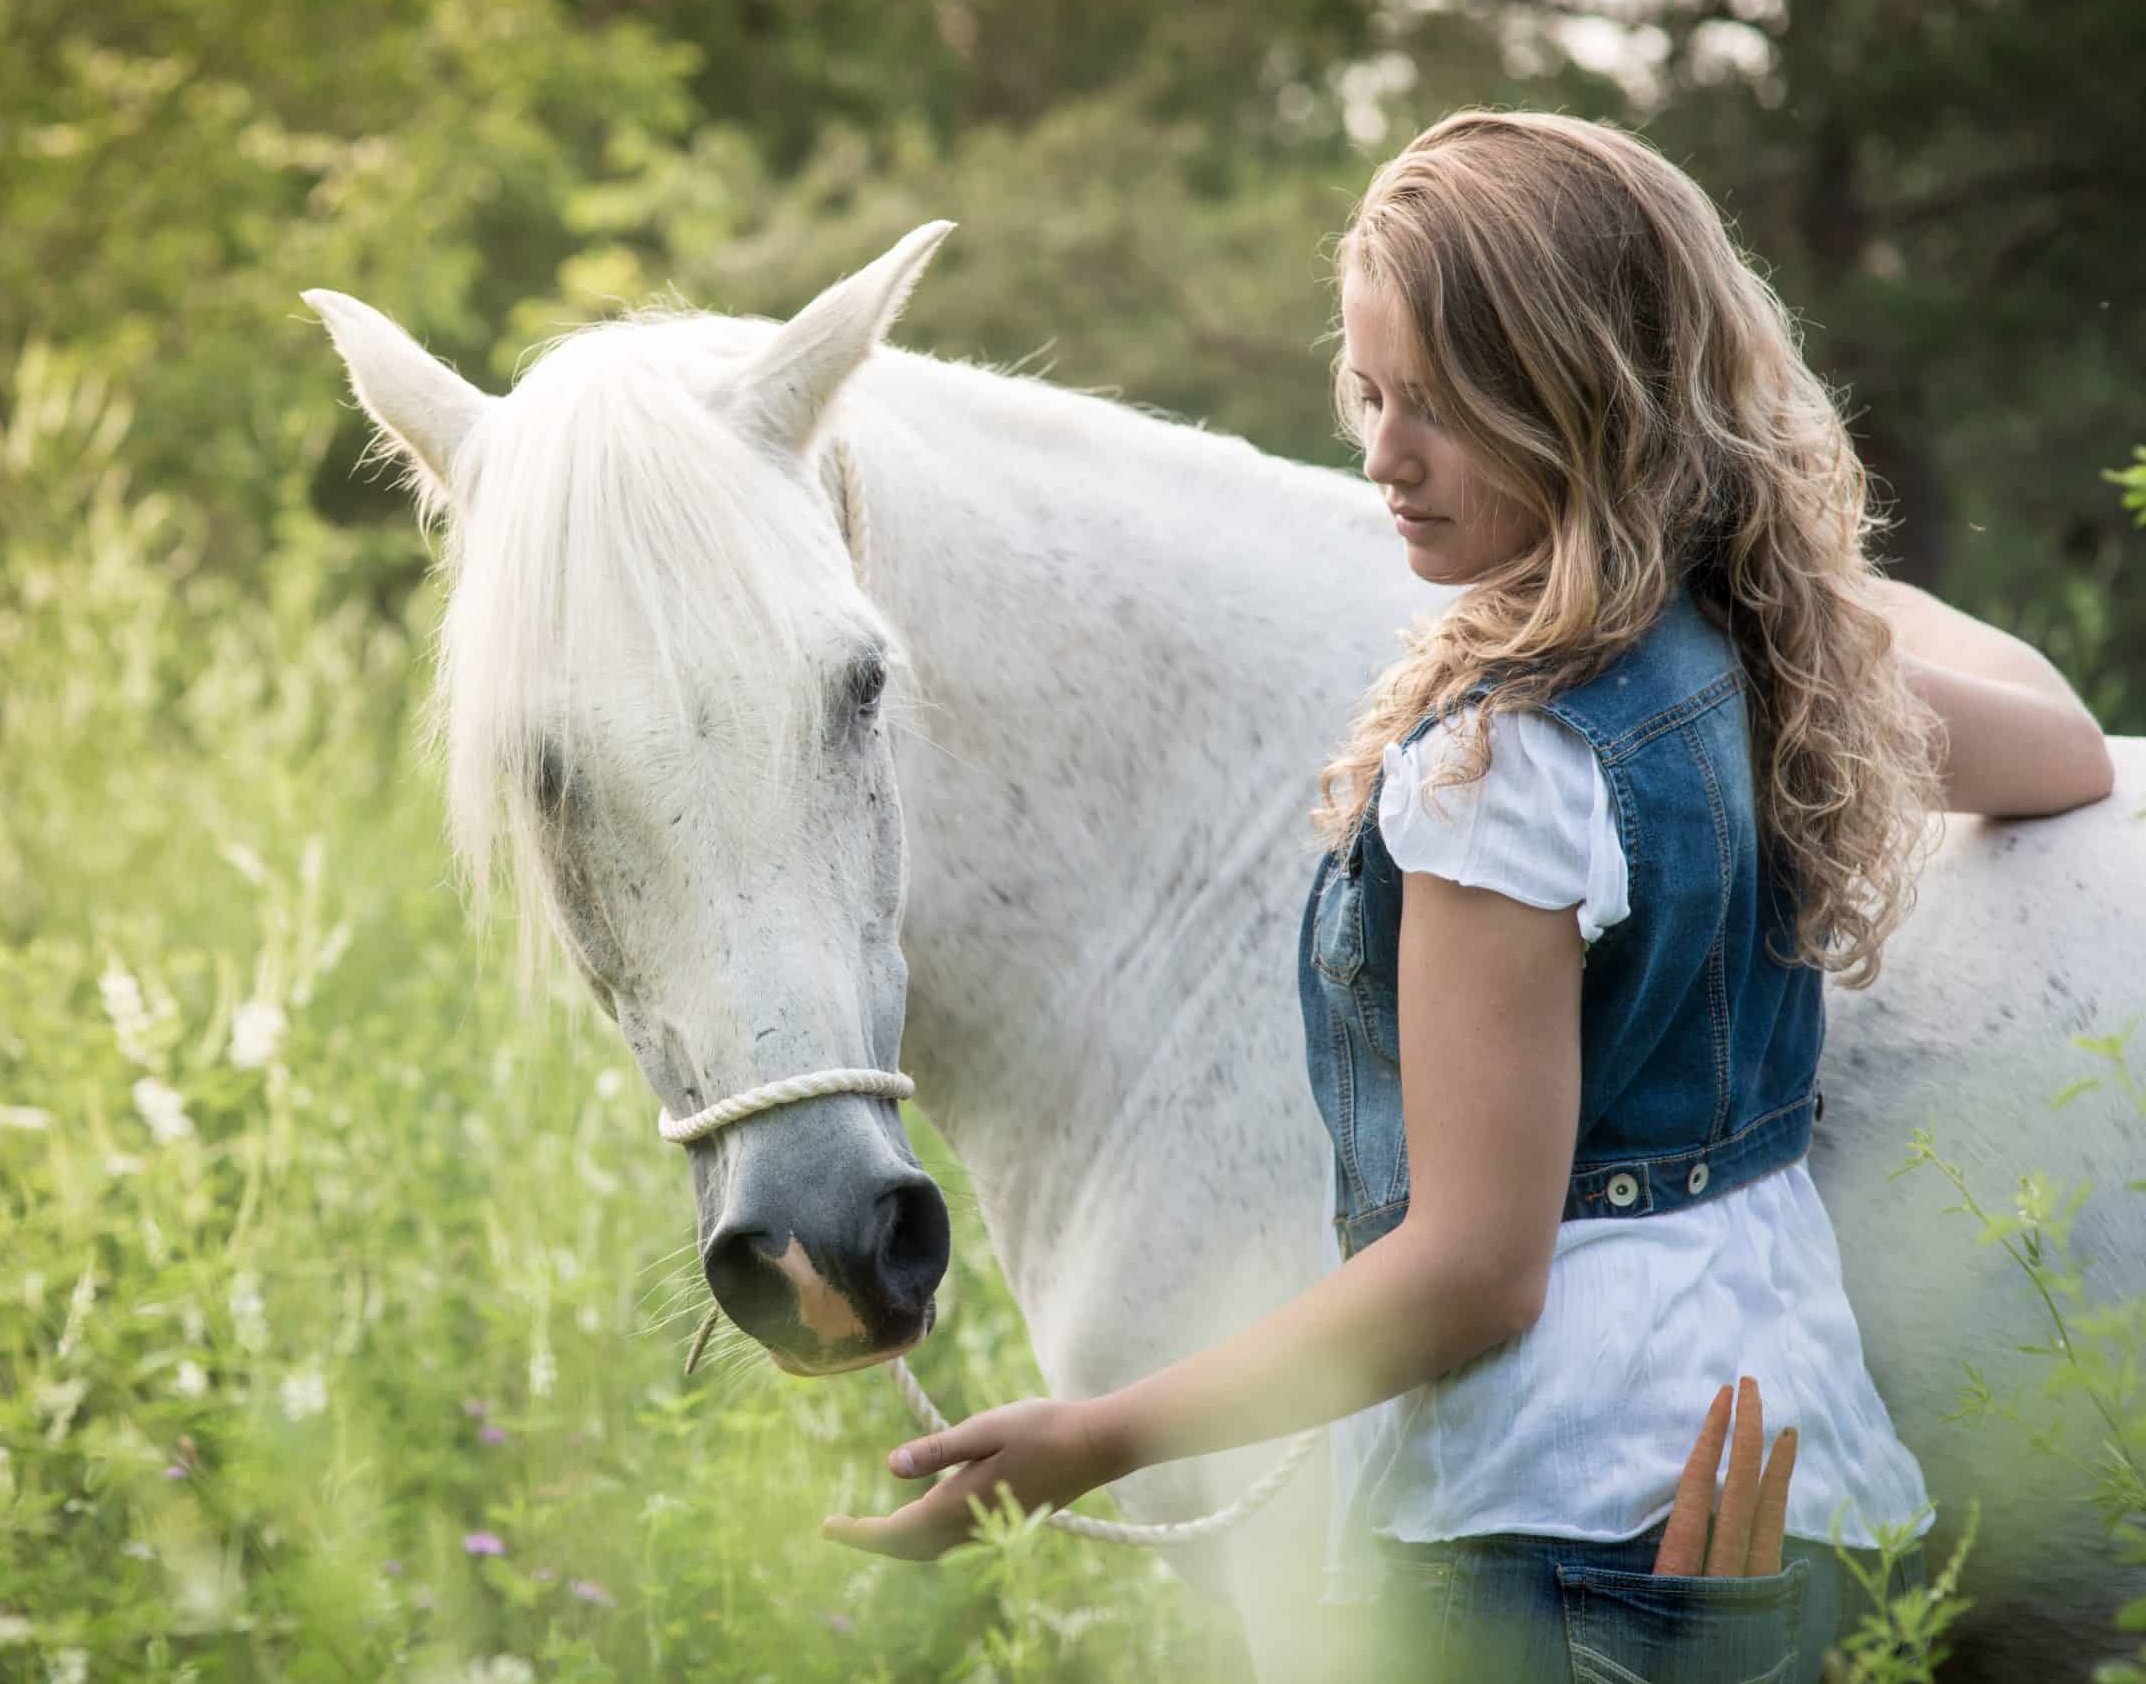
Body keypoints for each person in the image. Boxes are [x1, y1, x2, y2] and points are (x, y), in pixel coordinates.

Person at [818, 110, 2117, 1681]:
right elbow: (2064, 756)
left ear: (1584, 398)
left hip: (1567, 1536)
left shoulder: (1501, 771)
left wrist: (1095, 1434)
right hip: (1793, 1486)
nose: (1380, 457)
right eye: (1372, 395)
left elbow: (1476, 1268)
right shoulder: (1757, 675)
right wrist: (1813, 598)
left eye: (1440, 405)